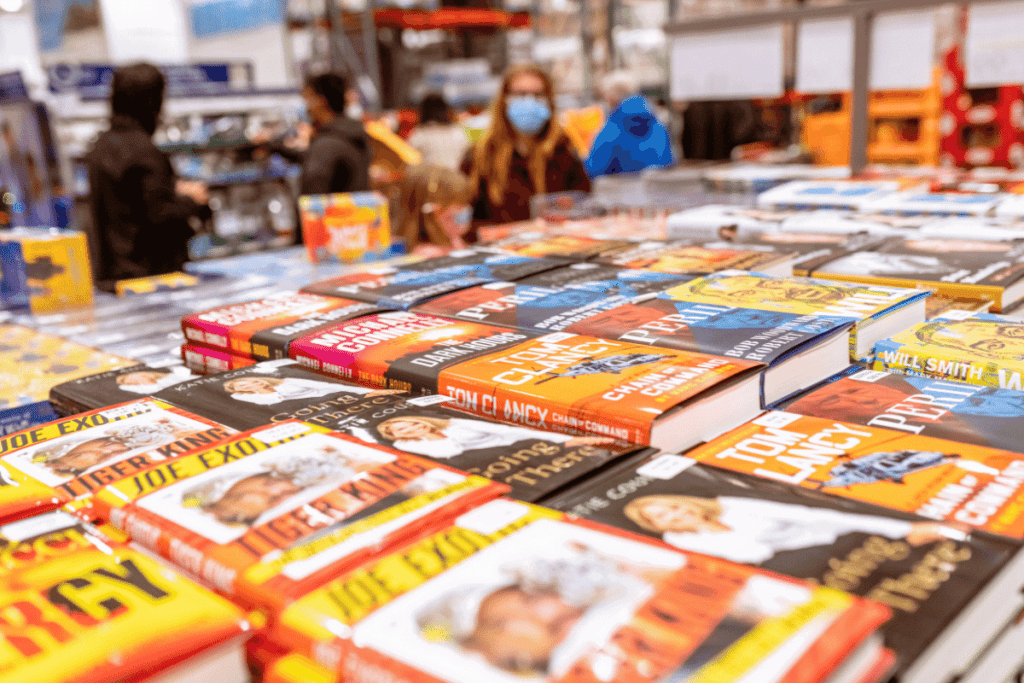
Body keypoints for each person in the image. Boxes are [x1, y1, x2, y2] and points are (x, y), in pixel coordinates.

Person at [85, 64, 210, 292]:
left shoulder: (100, 146)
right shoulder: (144, 151)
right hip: (150, 280)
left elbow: (128, 206)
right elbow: (159, 214)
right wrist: (194, 201)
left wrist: (172, 191)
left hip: (112, 277)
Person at [622, 494, 965, 565]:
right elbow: (757, 554)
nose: (675, 513)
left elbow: (805, 513)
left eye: (670, 505)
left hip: (833, 538)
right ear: (655, 527)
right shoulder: (676, 541)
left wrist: (905, 527)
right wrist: (705, 527)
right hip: (798, 565)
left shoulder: (729, 503)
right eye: (662, 516)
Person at [461, 65, 591, 226]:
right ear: (504, 99)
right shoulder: (479, 156)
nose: (529, 102)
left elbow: (584, 206)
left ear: (549, 101)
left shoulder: (565, 151)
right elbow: (466, 219)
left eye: (538, 94)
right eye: (520, 94)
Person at [374, 415, 615, 459]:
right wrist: (430, 438)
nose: (415, 428)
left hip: (523, 444)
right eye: (404, 430)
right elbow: (451, 452)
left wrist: (557, 439)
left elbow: (507, 432)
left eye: (415, 422)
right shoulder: (403, 445)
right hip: (492, 460)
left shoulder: (453, 422)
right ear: (395, 435)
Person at [585, 71, 674, 178]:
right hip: (658, 192)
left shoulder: (611, 132)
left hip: (623, 193)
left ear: (611, 98)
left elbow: (594, 170)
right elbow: (670, 160)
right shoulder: (659, 126)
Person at [296, 73, 371, 195]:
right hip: (357, 212)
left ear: (321, 101)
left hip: (333, 214)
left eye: (308, 99)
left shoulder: (325, 145)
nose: (307, 108)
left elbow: (312, 200)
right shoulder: (352, 133)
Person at [222, 375, 402, 406]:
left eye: (251, 380)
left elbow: (328, 387)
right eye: (243, 385)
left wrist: (363, 391)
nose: (251, 384)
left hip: (334, 397)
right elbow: (274, 402)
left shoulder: (287, 380)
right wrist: (263, 390)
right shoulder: (240, 397)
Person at [407, 93, 470, 171]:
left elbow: (410, 162)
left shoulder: (419, 135)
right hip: (457, 180)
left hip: (430, 181)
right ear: (446, 111)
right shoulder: (459, 133)